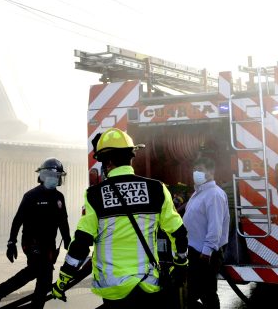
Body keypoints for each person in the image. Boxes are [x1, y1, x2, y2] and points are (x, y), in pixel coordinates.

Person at [52, 128, 189, 308]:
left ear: (107, 162)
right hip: (148, 284)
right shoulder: (156, 189)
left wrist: (64, 279)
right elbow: (179, 233)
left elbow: (82, 242)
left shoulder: (95, 195)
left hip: (114, 288)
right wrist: (180, 264)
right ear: (130, 157)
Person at [0, 158, 71, 309]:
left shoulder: (59, 198)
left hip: (49, 245)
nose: (54, 179)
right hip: (31, 242)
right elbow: (17, 219)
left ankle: (27, 303)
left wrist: (67, 239)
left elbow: (63, 221)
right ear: (42, 176)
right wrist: (11, 242)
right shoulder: (31, 196)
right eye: (50, 175)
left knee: (44, 281)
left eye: (56, 176)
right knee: (38, 269)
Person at [183, 156, 229, 309]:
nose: (195, 172)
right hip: (195, 250)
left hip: (205, 254)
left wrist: (207, 251)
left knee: (207, 294)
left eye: (200, 170)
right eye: (194, 169)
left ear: (211, 172)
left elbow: (215, 226)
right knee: (193, 293)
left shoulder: (214, 194)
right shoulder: (199, 193)